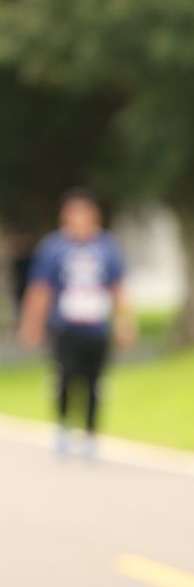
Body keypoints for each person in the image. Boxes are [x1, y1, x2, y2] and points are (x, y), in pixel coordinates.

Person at [18, 188, 136, 456]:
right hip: (65, 328)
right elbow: (40, 289)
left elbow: (118, 288)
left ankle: (91, 434)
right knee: (65, 378)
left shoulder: (107, 247)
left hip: (96, 328)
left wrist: (125, 323)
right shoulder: (53, 248)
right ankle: (63, 427)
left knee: (95, 383)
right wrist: (32, 324)